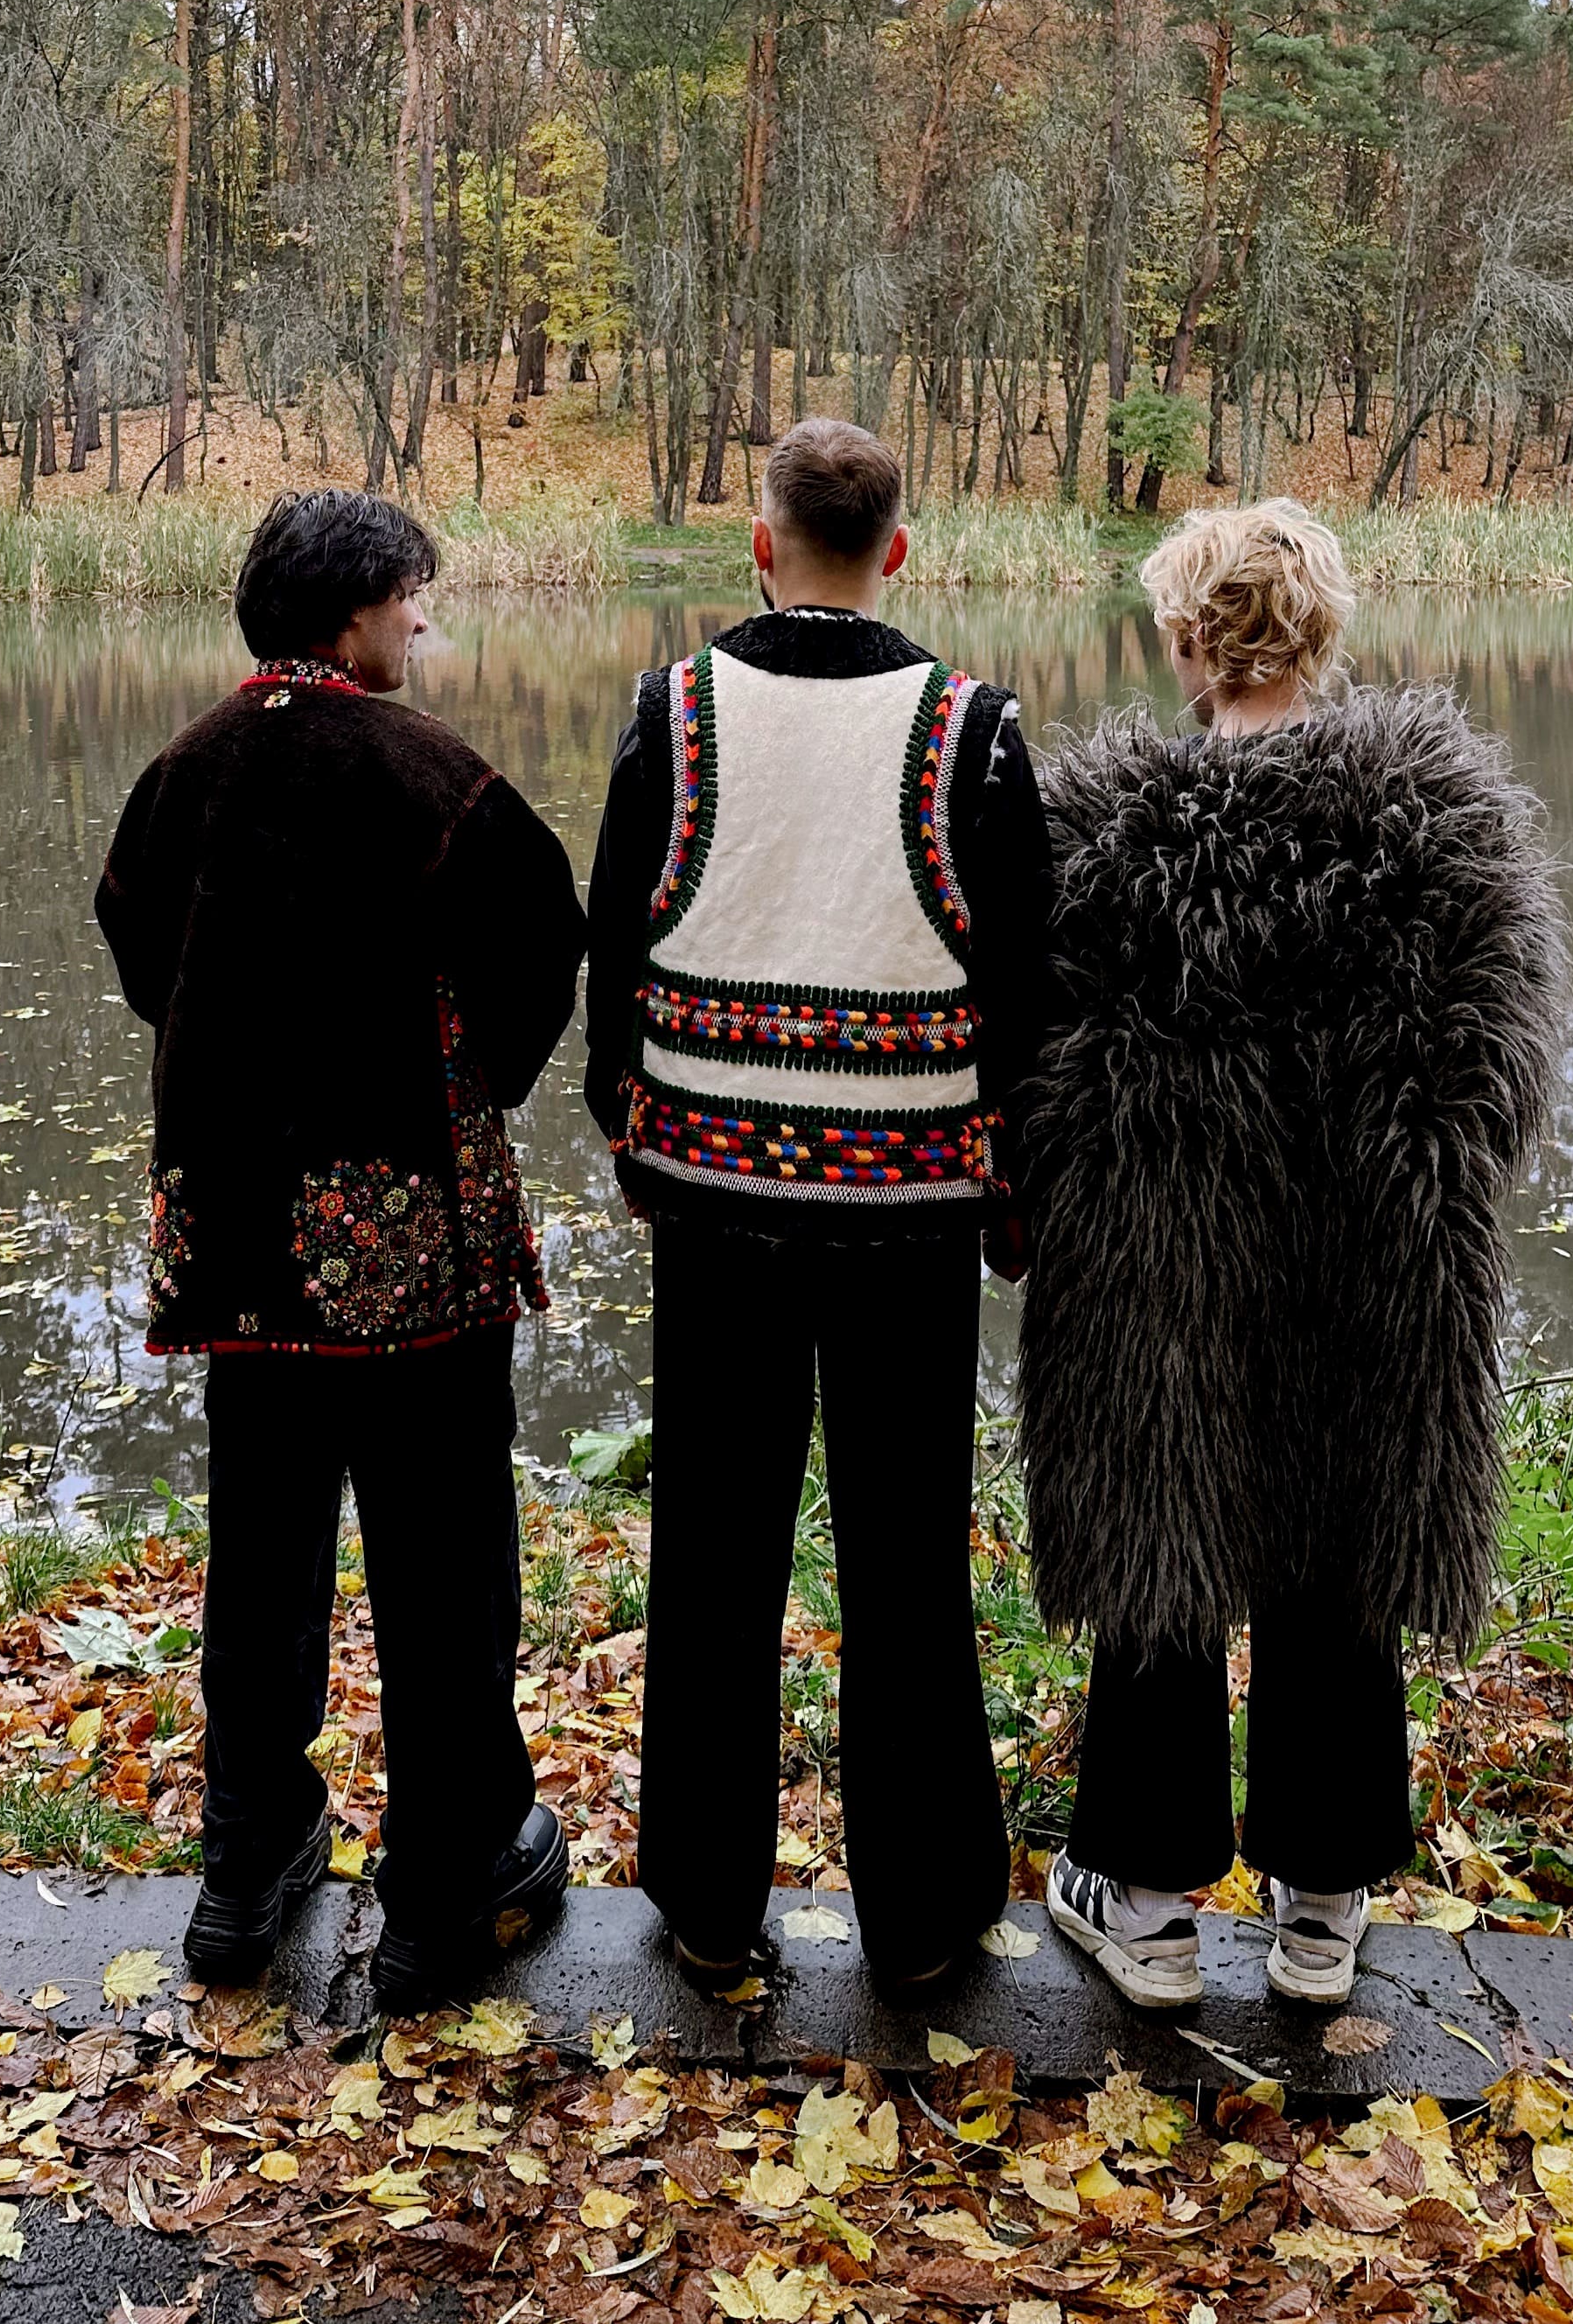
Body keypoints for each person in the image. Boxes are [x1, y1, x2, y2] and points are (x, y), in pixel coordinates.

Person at [1018, 499, 1565, 2010]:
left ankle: (1145, 1906)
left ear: (1191, 635)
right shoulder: (1437, 817)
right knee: (1341, 1551)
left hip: (1157, 1266)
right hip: (1368, 1261)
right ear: (1318, 629)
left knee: (1162, 1549)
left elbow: (1034, 1069)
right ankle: (1323, 1908)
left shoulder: (1105, 829)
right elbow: (1500, 1069)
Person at [96, 488, 586, 2007]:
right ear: (353, 611)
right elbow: (544, 940)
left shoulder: (184, 768)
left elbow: (141, 946)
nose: (423, 622)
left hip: (239, 1241)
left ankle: (245, 1863)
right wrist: (476, 1075)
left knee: (263, 1544)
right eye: (410, 598)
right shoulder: (429, 773)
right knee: (443, 1552)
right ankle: (447, 1881)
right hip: (409, 1242)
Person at [584, 416, 1055, 1992]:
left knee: (714, 1551)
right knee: (907, 1560)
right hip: (911, 1212)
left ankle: (709, 1901)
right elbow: (1023, 990)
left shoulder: (672, 711)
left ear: (762, 544)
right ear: (896, 550)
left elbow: (615, 944)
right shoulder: (974, 731)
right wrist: (1012, 1188)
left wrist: (632, 1132)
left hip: (713, 1202)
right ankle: (920, 1919)